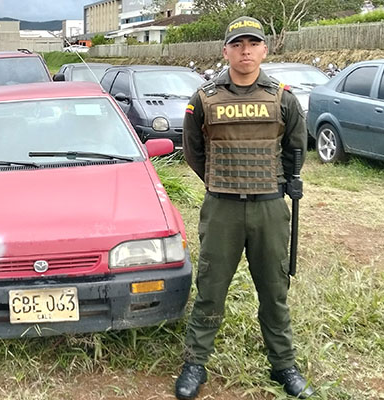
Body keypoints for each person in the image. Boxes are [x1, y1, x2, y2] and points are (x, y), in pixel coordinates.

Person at [176, 16, 314, 400]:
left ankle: (283, 365)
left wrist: (277, 183)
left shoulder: (282, 98)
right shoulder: (204, 98)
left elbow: (296, 149)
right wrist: (220, 180)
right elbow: (193, 151)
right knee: (210, 288)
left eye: (253, 43)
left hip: (269, 207)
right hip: (222, 207)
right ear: (226, 51)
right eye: (237, 44)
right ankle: (195, 363)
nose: (245, 51)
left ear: (264, 50)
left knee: (274, 290)